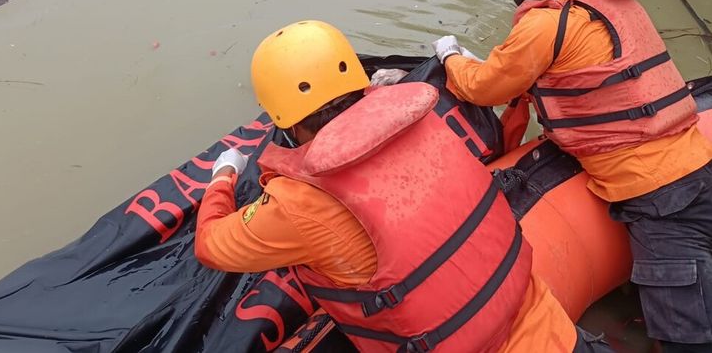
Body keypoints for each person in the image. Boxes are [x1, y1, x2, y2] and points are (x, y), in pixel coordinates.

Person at [195, 20, 611, 352]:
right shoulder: (426, 120)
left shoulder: (300, 203)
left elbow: (212, 245)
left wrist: (223, 176)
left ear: (285, 119)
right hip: (549, 323)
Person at [431, 0, 712, 352]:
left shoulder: (547, 24)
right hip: (694, 160)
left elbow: (484, 87)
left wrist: (450, 56)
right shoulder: (613, 2)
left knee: (686, 335)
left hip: (658, 194)